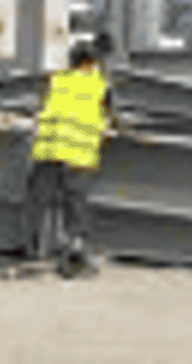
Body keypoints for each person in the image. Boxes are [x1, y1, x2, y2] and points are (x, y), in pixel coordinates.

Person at [23, 36, 115, 278]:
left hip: (47, 151)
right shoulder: (99, 84)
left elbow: (40, 109)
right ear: (90, 63)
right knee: (75, 207)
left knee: (39, 203)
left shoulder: (55, 80)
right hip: (77, 154)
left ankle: (35, 254)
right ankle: (74, 258)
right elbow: (108, 116)